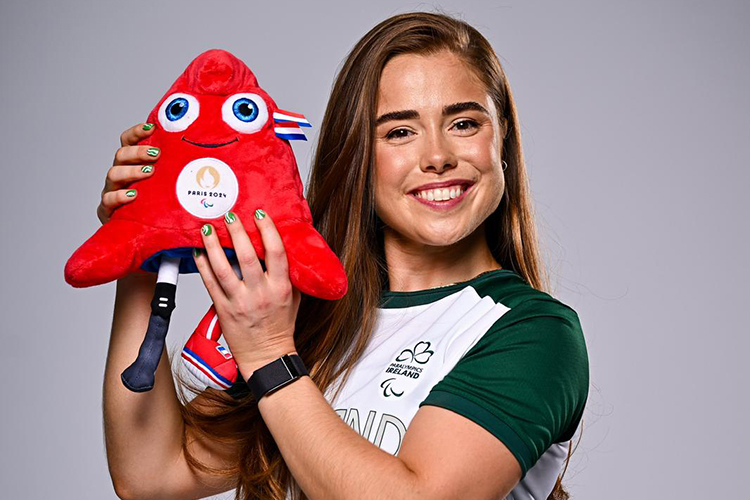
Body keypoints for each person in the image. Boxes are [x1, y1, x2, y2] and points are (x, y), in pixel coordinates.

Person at [101, 11, 589, 500]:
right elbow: (152, 474)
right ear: (357, 155)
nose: (437, 157)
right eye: (399, 132)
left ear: (501, 138)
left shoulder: (535, 334)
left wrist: (269, 357)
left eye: (463, 123)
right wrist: (141, 245)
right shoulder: (308, 315)